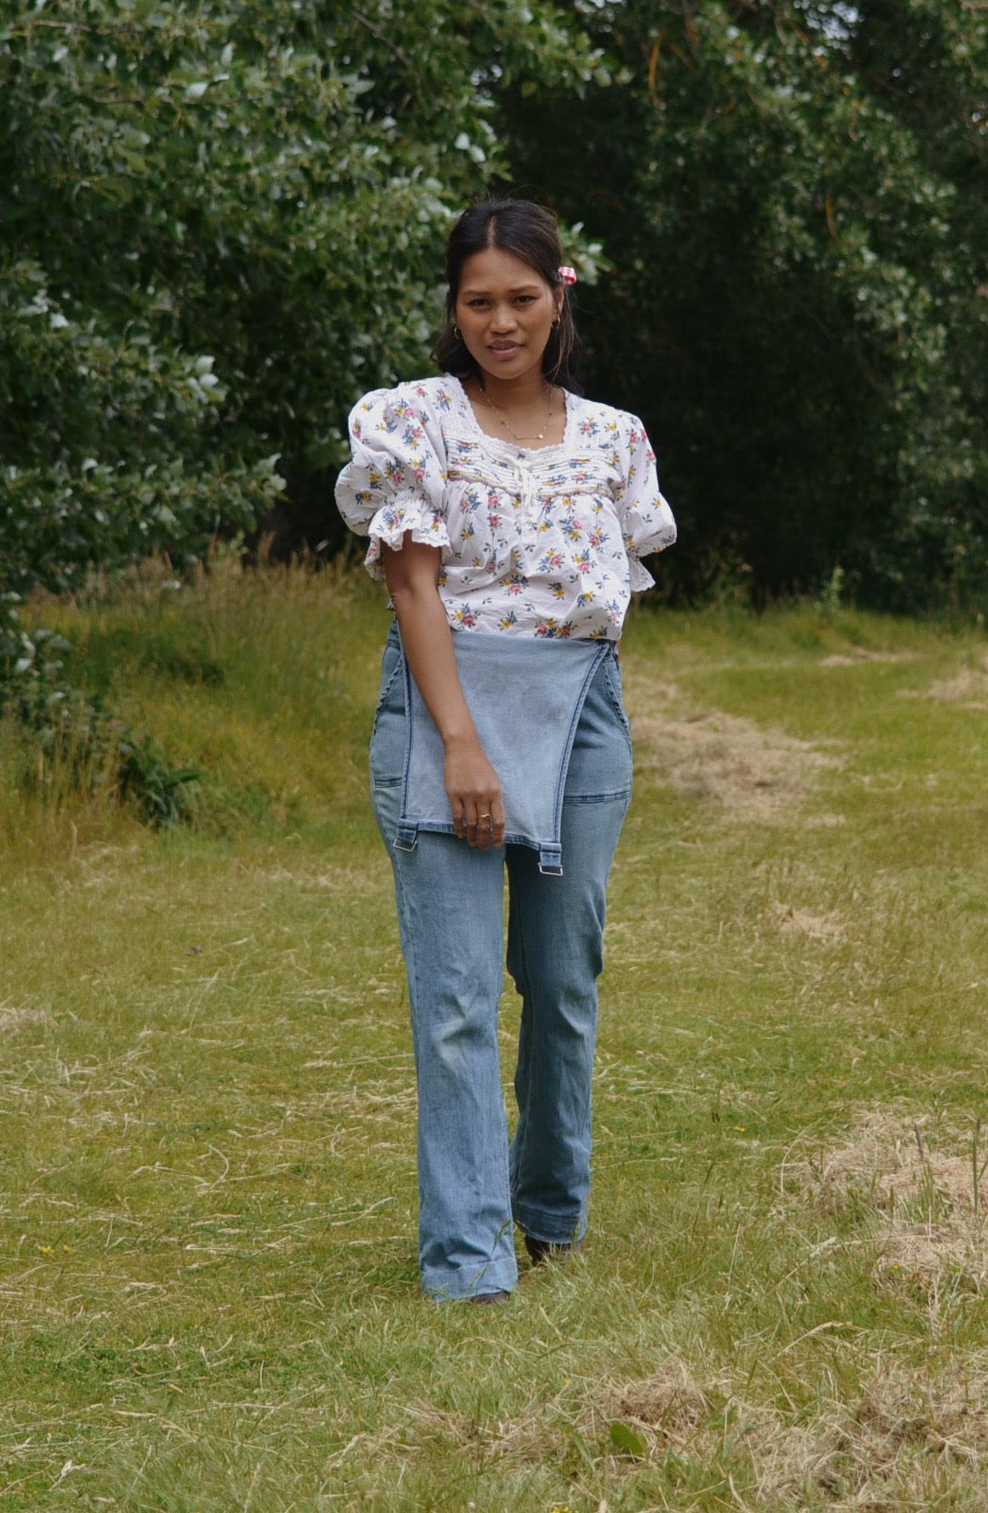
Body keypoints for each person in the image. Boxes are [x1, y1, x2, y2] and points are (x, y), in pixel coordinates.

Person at [335, 198, 676, 1304]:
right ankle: (468, 1262)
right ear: (453, 307)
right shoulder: (415, 422)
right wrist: (463, 743)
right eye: (477, 300)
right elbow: (413, 583)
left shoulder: (614, 439)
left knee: (563, 977)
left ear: (557, 297)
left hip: (580, 714)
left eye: (520, 299)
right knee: (458, 997)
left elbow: (601, 599)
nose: (499, 321)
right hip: (448, 708)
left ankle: (549, 1216)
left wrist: (557, 701)